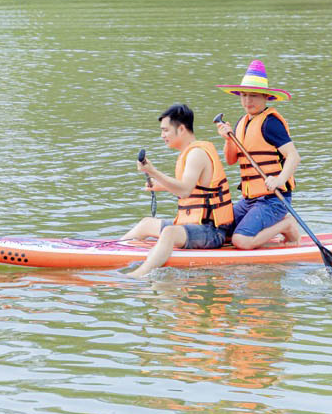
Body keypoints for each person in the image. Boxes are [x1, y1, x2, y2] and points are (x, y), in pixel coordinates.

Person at [122, 103, 235, 278]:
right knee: (145, 224)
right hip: (195, 224)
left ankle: (138, 275)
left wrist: (153, 171)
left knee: (169, 232)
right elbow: (192, 189)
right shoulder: (190, 152)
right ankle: (111, 252)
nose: (162, 135)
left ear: (181, 129)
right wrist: (159, 184)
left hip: (211, 231)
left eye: (166, 130)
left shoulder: (196, 154)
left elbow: (184, 191)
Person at [215, 60, 303, 249]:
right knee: (219, 232)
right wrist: (228, 140)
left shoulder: (271, 123)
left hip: (274, 199)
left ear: (265, 97)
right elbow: (231, 160)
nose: (248, 101)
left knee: (241, 240)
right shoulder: (242, 122)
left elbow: (294, 157)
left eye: (253, 96)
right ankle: (267, 227)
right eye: (244, 95)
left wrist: (279, 180)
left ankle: (287, 224)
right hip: (250, 200)